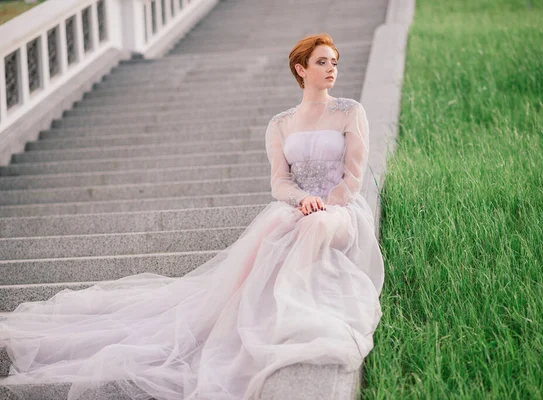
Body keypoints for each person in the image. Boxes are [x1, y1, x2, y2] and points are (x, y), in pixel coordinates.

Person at [0, 33, 385, 400]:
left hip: (338, 211)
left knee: (316, 224)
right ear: (301, 68)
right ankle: (243, 323)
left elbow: (353, 178)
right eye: (322, 62)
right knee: (271, 231)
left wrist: (325, 203)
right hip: (298, 207)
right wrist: (301, 199)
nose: (331, 68)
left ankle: (294, 313)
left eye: (334, 62)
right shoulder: (281, 123)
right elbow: (279, 183)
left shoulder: (350, 111)